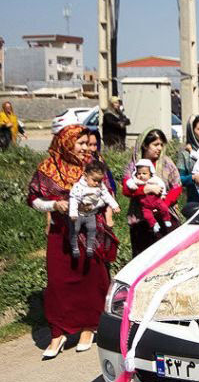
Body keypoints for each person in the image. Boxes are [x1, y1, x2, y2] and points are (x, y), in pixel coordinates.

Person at [26, 125, 117, 358]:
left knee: (90, 278)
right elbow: (34, 199)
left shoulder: (94, 164)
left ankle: (89, 326)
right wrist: (53, 205)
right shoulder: (47, 168)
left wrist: (93, 206)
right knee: (58, 282)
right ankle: (58, 332)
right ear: (66, 142)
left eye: (88, 143)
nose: (86, 148)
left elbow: (107, 194)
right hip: (60, 232)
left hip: (90, 230)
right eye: (81, 143)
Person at [123, 129, 183, 256]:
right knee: (143, 258)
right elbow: (126, 189)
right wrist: (144, 190)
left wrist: (163, 205)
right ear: (145, 145)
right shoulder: (134, 165)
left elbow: (177, 187)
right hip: (141, 220)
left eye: (161, 145)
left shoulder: (166, 163)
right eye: (155, 145)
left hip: (165, 218)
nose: (159, 148)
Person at [69, 161, 119, 259]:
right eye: (94, 180)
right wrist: (73, 213)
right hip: (79, 214)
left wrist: (114, 206)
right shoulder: (79, 186)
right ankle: (74, 247)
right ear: (85, 175)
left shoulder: (100, 186)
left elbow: (107, 196)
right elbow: (73, 199)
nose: (97, 183)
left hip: (91, 215)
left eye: (99, 181)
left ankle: (90, 248)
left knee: (92, 229)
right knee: (75, 230)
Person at [125, 160, 174, 233]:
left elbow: (161, 185)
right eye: (139, 173)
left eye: (144, 173)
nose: (141, 175)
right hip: (145, 205)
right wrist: (132, 186)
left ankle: (166, 220)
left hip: (156, 201)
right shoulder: (136, 181)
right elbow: (128, 183)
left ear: (150, 174)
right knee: (147, 215)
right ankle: (154, 225)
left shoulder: (154, 180)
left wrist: (163, 194)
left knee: (164, 208)